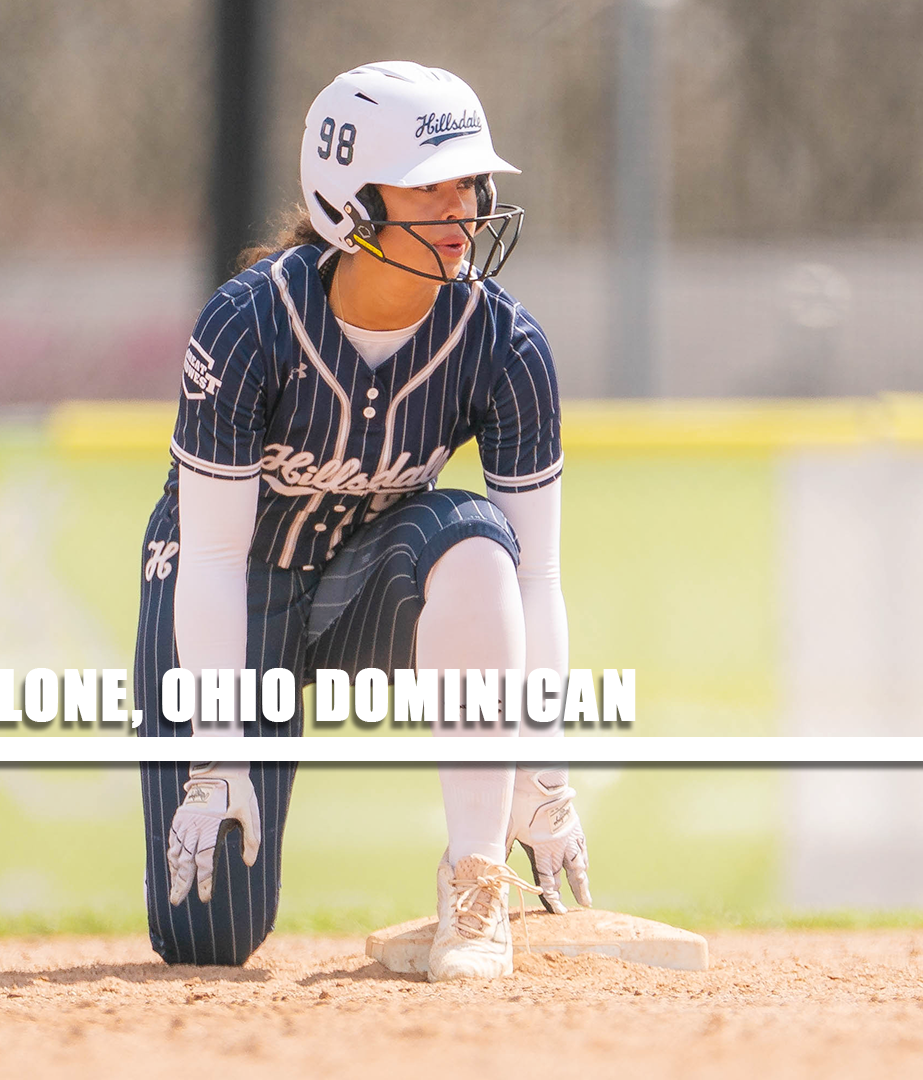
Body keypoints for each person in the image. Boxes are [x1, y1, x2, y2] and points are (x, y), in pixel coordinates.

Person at [132, 61, 592, 979]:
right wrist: (217, 757)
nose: (464, 207)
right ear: (350, 200)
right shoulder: (249, 324)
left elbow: (534, 578)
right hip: (236, 592)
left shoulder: (506, 343)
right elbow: (213, 559)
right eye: (433, 185)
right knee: (207, 936)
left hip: (364, 588)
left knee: (477, 543)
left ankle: (474, 885)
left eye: (471, 181)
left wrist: (543, 766)